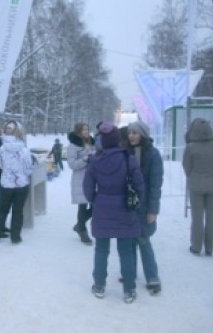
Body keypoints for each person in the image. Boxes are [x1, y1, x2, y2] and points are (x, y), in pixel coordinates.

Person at [83, 122, 144, 304]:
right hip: (125, 209)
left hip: (102, 207)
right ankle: (129, 290)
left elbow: (87, 187)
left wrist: (96, 200)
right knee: (126, 251)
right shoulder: (128, 158)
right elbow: (140, 185)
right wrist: (136, 202)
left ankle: (99, 285)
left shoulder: (94, 160)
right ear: (118, 140)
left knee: (101, 250)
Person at [126, 121, 164, 295]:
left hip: (145, 205)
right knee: (128, 241)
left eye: (135, 132)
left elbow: (156, 185)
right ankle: (129, 273)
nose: (132, 136)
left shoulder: (153, 154)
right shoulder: (125, 152)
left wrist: (153, 210)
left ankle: (152, 276)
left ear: (143, 134)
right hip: (127, 204)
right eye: (130, 133)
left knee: (143, 240)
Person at [182, 118, 213, 256]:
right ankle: (210, 247)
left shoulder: (191, 147)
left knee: (197, 217)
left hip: (196, 185)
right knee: (212, 217)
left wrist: (193, 176)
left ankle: (196, 246)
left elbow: (186, 167)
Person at [0, 121, 33, 244]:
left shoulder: (2, 149)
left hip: (6, 183)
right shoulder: (24, 150)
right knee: (18, 211)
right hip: (21, 184)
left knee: (2, 210)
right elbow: (28, 169)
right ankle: (15, 237)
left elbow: (0, 165)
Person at [67, 122, 94, 245]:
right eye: (83, 130)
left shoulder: (92, 142)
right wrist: (86, 158)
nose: (86, 132)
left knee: (96, 206)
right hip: (81, 179)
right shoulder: (73, 145)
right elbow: (72, 164)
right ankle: (82, 231)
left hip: (94, 178)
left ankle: (79, 225)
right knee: (83, 206)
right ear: (78, 132)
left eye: (87, 129)